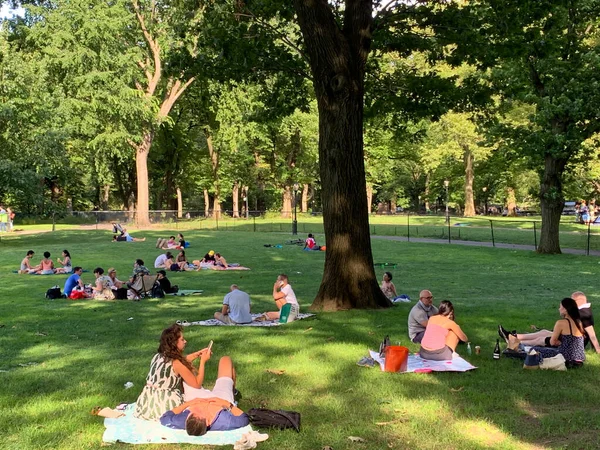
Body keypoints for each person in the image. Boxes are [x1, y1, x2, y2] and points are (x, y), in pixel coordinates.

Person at [134, 324, 211, 421]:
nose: (185, 341)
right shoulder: (176, 363)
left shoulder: (158, 356)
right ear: (174, 343)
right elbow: (197, 384)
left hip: (147, 401)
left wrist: (197, 354)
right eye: (182, 340)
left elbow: (180, 363)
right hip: (164, 403)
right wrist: (203, 362)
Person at [160, 356, 248, 435]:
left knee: (185, 367)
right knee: (225, 360)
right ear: (207, 422)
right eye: (200, 411)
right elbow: (243, 419)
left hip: (196, 398)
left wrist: (189, 403)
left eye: (192, 413)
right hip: (222, 398)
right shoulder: (224, 421)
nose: (199, 408)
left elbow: (165, 418)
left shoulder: (184, 420)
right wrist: (228, 404)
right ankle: (232, 392)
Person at [499, 291, 600, 353]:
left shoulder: (585, 314)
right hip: (569, 338)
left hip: (569, 341)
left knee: (540, 339)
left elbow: (592, 334)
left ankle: (515, 343)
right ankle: (513, 336)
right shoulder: (581, 311)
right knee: (544, 332)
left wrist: (597, 349)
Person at [522, 298, 586, 364]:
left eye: (560, 307)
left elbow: (552, 342)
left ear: (565, 310)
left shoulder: (561, 323)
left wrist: (560, 343)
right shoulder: (579, 322)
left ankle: (518, 349)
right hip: (580, 357)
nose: (559, 309)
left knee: (534, 349)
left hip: (565, 357)